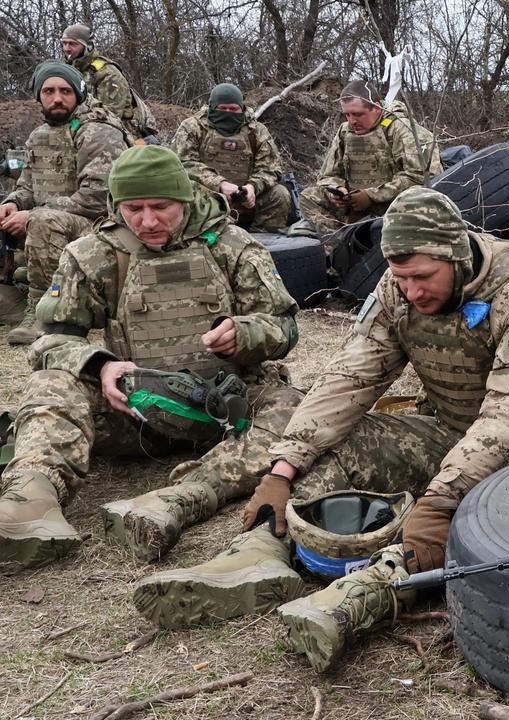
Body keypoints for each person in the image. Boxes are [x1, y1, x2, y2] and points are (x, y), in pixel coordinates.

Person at [133, 187, 509, 673]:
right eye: (401, 278)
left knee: (481, 508)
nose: (411, 291)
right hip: (457, 429)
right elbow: (350, 379)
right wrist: (283, 466)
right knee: (345, 441)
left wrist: (444, 496)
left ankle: (367, 592)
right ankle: (264, 549)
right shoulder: (396, 288)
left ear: (458, 256)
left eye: (423, 277)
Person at [0, 145, 302, 570]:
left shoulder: (231, 245)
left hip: (226, 415)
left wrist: (247, 333)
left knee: (295, 410)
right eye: (133, 208)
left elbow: (285, 326)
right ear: (116, 205)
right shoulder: (94, 254)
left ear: (184, 198)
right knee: (50, 384)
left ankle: (182, 495)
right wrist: (101, 365)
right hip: (134, 414)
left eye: (161, 207)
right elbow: (51, 340)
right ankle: (31, 502)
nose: (147, 221)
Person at [0, 60, 129, 345]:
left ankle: (47, 313)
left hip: (100, 227)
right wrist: (13, 203)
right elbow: (26, 186)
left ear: (78, 94)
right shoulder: (39, 135)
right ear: (39, 96)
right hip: (53, 225)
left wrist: (33, 214)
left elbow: (97, 197)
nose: (57, 98)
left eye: (65, 91)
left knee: (42, 220)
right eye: (49, 91)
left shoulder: (98, 130)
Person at [296, 80, 440, 236]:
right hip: (354, 204)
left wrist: (372, 196)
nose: (352, 121)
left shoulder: (404, 130)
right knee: (309, 196)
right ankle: (340, 244)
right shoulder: (345, 132)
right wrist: (337, 190)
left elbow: (422, 178)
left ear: (377, 108)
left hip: (393, 204)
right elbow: (327, 175)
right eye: (347, 114)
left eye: (358, 114)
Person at [172, 83, 293, 232]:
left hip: (248, 200)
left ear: (241, 108)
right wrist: (219, 184)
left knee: (279, 194)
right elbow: (183, 164)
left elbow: (271, 168)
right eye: (222, 109)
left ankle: (265, 242)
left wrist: (252, 187)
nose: (228, 113)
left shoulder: (256, 131)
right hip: (208, 199)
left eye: (233, 109)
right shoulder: (192, 128)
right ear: (212, 107)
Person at [58, 23, 156, 140]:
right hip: (83, 129)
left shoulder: (107, 73)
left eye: (73, 44)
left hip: (118, 135)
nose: (67, 48)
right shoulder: (69, 71)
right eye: (64, 43)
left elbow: (110, 116)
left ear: (87, 46)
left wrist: (73, 125)